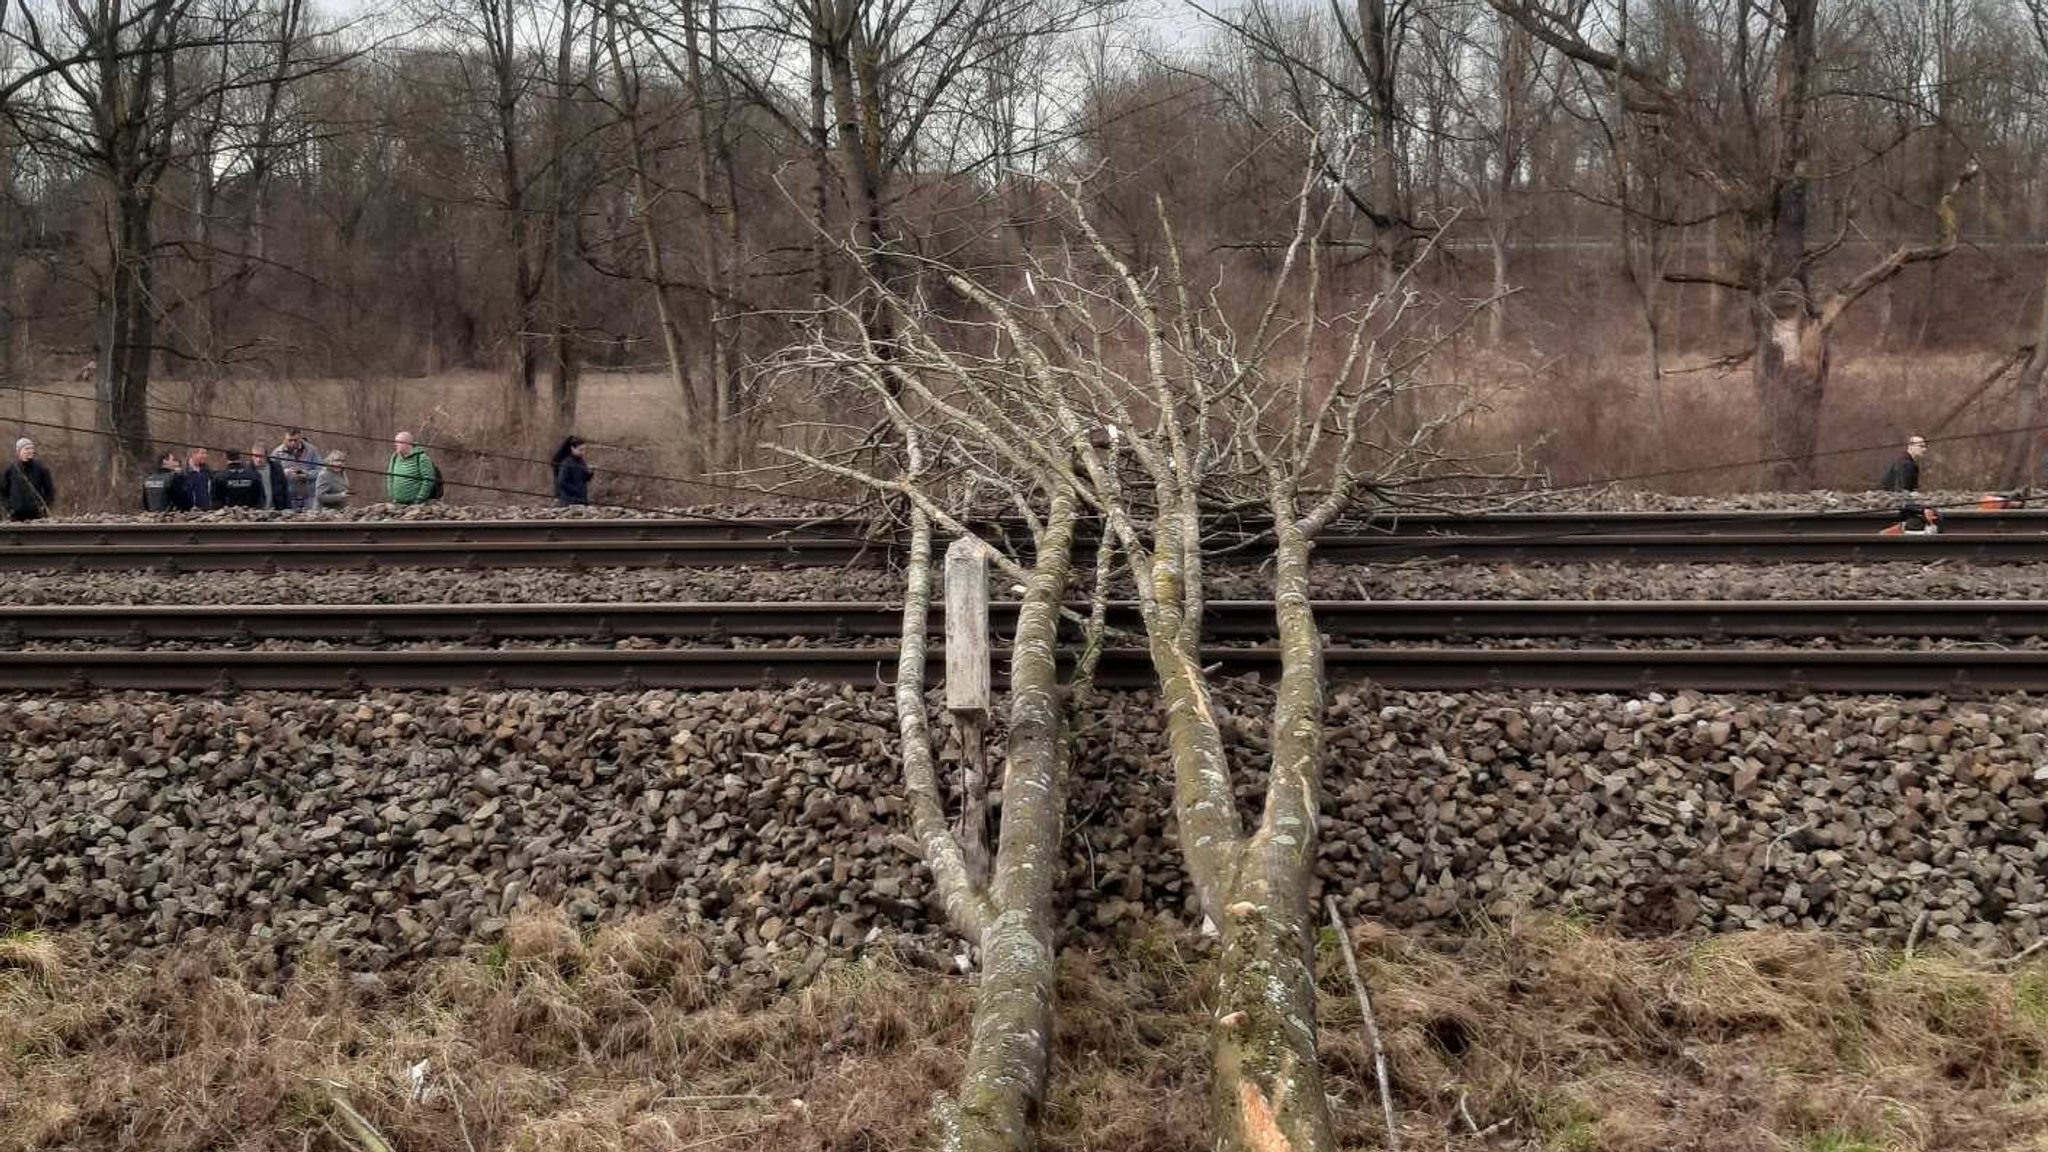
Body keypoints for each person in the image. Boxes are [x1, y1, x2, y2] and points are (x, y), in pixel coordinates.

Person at [1, 437, 54, 521]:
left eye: (31, 448)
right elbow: (2, 492)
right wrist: (9, 508)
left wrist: (43, 507)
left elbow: (50, 491)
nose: (29, 451)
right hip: (16, 516)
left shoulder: (41, 469)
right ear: (19, 452)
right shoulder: (10, 470)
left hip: (37, 516)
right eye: (26, 449)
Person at [273, 428, 323, 511]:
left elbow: (321, 471)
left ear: (300, 438)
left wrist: (307, 474)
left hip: (309, 498)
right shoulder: (277, 453)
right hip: (288, 498)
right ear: (285, 439)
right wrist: (283, 473)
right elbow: (272, 475)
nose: (292, 443)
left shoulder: (311, 450)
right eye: (290, 440)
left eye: (295, 440)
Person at [387, 431, 439, 505]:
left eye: (398, 442)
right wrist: (392, 495)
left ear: (407, 443)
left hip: (416, 504)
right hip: (398, 503)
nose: (395, 445)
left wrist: (420, 498)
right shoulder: (395, 457)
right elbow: (390, 476)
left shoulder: (421, 457)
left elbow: (428, 479)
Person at [552, 435, 591, 506]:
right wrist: (576, 490)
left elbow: (584, 478)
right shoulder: (566, 463)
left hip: (581, 499)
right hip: (569, 501)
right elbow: (561, 482)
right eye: (580, 450)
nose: (583, 452)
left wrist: (590, 473)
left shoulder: (581, 461)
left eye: (584, 450)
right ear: (572, 448)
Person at [250, 444, 290, 511]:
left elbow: (285, 489)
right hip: (256, 511)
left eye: (261, 456)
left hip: (276, 510)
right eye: (255, 456)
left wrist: (288, 508)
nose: (258, 459)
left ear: (266, 456)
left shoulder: (276, 468)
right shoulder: (248, 471)